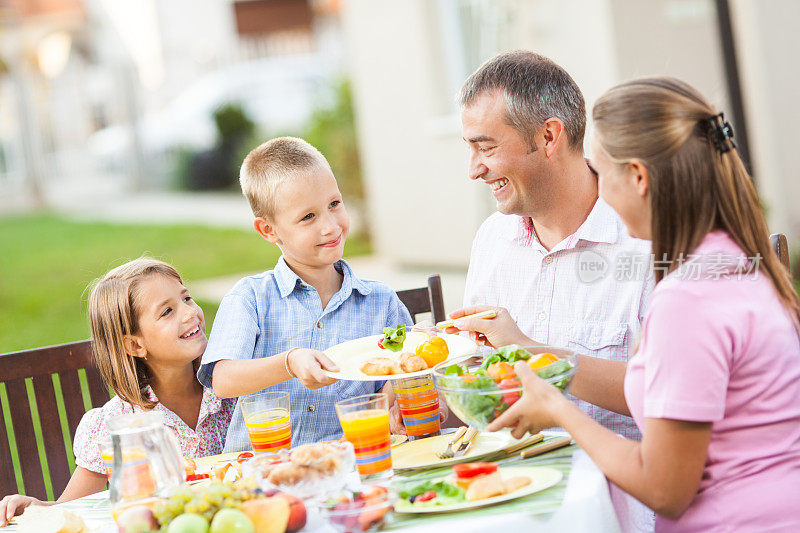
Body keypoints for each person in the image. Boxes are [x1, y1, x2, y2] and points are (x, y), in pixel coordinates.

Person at [487, 77, 800, 531]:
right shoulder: (734, 261)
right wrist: (538, 354)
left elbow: (666, 490)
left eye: (601, 170)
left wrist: (558, 410)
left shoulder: (687, 300)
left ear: (637, 177)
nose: (597, 188)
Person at [448, 50, 652, 439]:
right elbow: (481, 389)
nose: (473, 169)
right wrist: (430, 394)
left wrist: (529, 350)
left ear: (547, 137)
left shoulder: (644, 238)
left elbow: (670, 395)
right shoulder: (493, 239)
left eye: (486, 147)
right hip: (513, 479)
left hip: (619, 485)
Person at [199, 137, 415, 452]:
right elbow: (223, 380)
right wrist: (290, 362)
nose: (330, 226)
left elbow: (407, 378)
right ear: (268, 230)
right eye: (308, 217)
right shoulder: (251, 298)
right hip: (264, 476)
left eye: (334, 204)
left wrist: (418, 361)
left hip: (356, 466)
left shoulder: (381, 304)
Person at [0, 258, 235, 525]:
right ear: (135, 345)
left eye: (187, 298)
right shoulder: (114, 427)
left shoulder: (233, 387)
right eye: (167, 311)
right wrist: (37, 508)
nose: (190, 312)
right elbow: (72, 508)